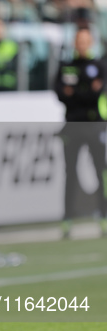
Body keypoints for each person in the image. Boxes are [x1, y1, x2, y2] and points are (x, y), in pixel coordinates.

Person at [55, 26, 107, 238]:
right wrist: (83, 91)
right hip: (73, 125)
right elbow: (60, 93)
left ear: (91, 42)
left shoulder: (99, 65)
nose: (82, 45)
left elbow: (95, 94)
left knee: (100, 172)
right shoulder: (66, 66)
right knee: (70, 174)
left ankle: (103, 216)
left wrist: (75, 92)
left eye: (86, 41)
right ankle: (68, 219)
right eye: (79, 41)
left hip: (94, 125)